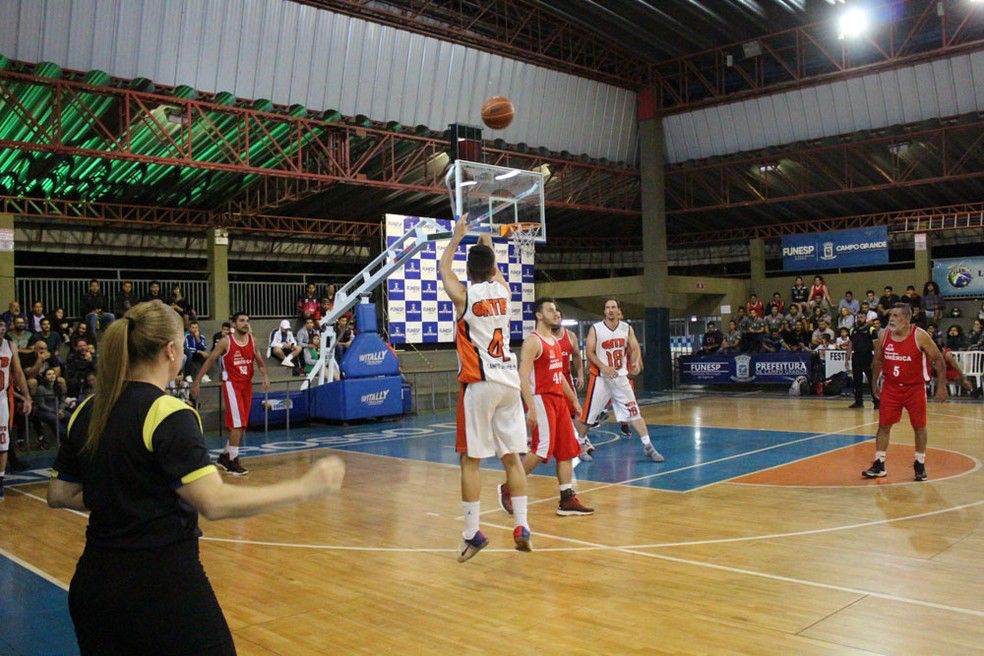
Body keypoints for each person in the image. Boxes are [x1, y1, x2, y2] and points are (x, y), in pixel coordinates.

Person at [46, 300, 345, 655]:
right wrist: (305, 487)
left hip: (93, 586)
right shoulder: (168, 412)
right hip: (162, 587)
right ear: (172, 351)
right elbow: (214, 502)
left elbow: (59, 493)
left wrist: (124, 491)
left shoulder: (87, 409)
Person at [438, 216, 531, 562]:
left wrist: (457, 238)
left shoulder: (463, 296)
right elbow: (493, 268)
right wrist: (486, 238)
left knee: (470, 460)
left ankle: (471, 532)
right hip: (510, 383)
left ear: (471, 271)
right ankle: (521, 525)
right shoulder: (505, 293)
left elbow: (442, 269)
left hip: (480, 383)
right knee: (512, 459)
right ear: (493, 268)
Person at [497, 298, 592, 518]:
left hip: (558, 399)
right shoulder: (534, 341)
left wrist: (574, 400)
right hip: (541, 398)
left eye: (557, 310)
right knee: (541, 449)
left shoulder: (556, 341)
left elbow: (561, 376)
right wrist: (530, 406)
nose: (556, 313)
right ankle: (508, 488)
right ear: (539, 315)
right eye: (550, 310)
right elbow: (522, 375)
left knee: (567, 449)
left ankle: (567, 499)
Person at [863, 303, 947, 481]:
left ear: (907, 318)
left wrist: (941, 386)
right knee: (884, 425)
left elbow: (938, 360)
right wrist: (874, 382)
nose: (891, 319)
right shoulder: (884, 335)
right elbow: (877, 360)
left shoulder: (920, 335)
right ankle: (879, 463)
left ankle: (920, 463)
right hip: (891, 387)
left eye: (896, 316)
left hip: (915, 388)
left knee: (919, 426)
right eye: (890, 315)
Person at [575, 298, 663, 462]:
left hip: (620, 377)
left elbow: (635, 347)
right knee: (589, 416)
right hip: (600, 378)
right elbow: (589, 352)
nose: (610, 310)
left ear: (618, 310)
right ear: (604, 311)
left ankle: (648, 446)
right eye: (607, 307)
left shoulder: (626, 328)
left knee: (634, 412)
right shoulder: (596, 329)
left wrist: (636, 361)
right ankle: (580, 444)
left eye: (613, 307)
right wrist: (603, 367)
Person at [191, 312, 271, 476]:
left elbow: (260, 363)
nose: (245, 323)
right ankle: (233, 461)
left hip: (246, 385)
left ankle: (224, 457)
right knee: (236, 425)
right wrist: (197, 381)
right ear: (234, 324)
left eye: (247, 321)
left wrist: (265, 376)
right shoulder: (226, 341)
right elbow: (210, 360)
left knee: (241, 426)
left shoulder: (252, 340)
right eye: (241, 321)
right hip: (231, 385)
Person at [0, 320, 33, 501]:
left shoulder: (10, 345)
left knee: (3, 441)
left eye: (2, 327)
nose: (0, 330)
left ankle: (0, 482)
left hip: (1, 398)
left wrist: (27, 396)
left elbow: (18, 373)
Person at [552, 310, 591, 459]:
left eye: (558, 316)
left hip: (566, 379)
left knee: (576, 411)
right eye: (553, 315)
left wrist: (580, 374)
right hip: (548, 381)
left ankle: (582, 442)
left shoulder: (570, 336)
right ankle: (531, 441)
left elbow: (576, 355)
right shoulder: (542, 336)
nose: (556, 318)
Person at [847, 313, 879, 409]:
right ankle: (858, 402)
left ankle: (877, 401)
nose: (859, 319)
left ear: (865, 318)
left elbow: (876, 346)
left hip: (867, 357)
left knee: (871, 380)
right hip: (856, 357)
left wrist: (875, 359)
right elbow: (851, 343)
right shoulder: (853, 330)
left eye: (861, 317)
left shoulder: (871, 330)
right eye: (858, 317)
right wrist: (847, 356)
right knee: (857, 381)